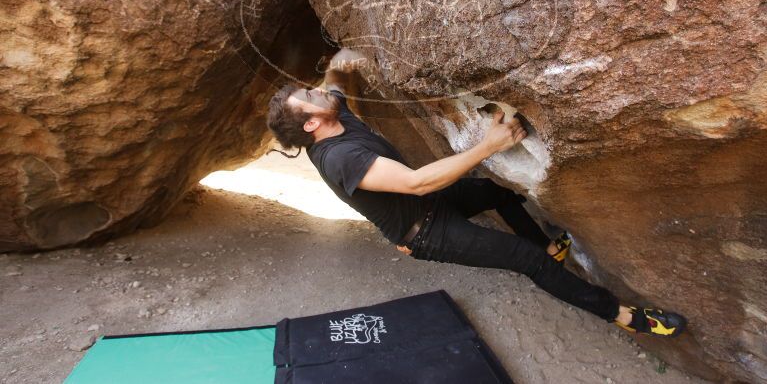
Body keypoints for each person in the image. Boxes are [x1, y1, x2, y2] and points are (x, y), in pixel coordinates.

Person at [267, 48, 687, 337]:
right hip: (426, 232)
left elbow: (335, 76)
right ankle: (624, 316)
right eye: (310, 96)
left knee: (495, 192)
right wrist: (489, 145)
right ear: (311, 125)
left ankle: (547, 248)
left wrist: (346, 58)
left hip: (428, 204)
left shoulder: (333, 113)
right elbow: (418, 181)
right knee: (525, 261)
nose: (317, 90)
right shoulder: (339, 158)